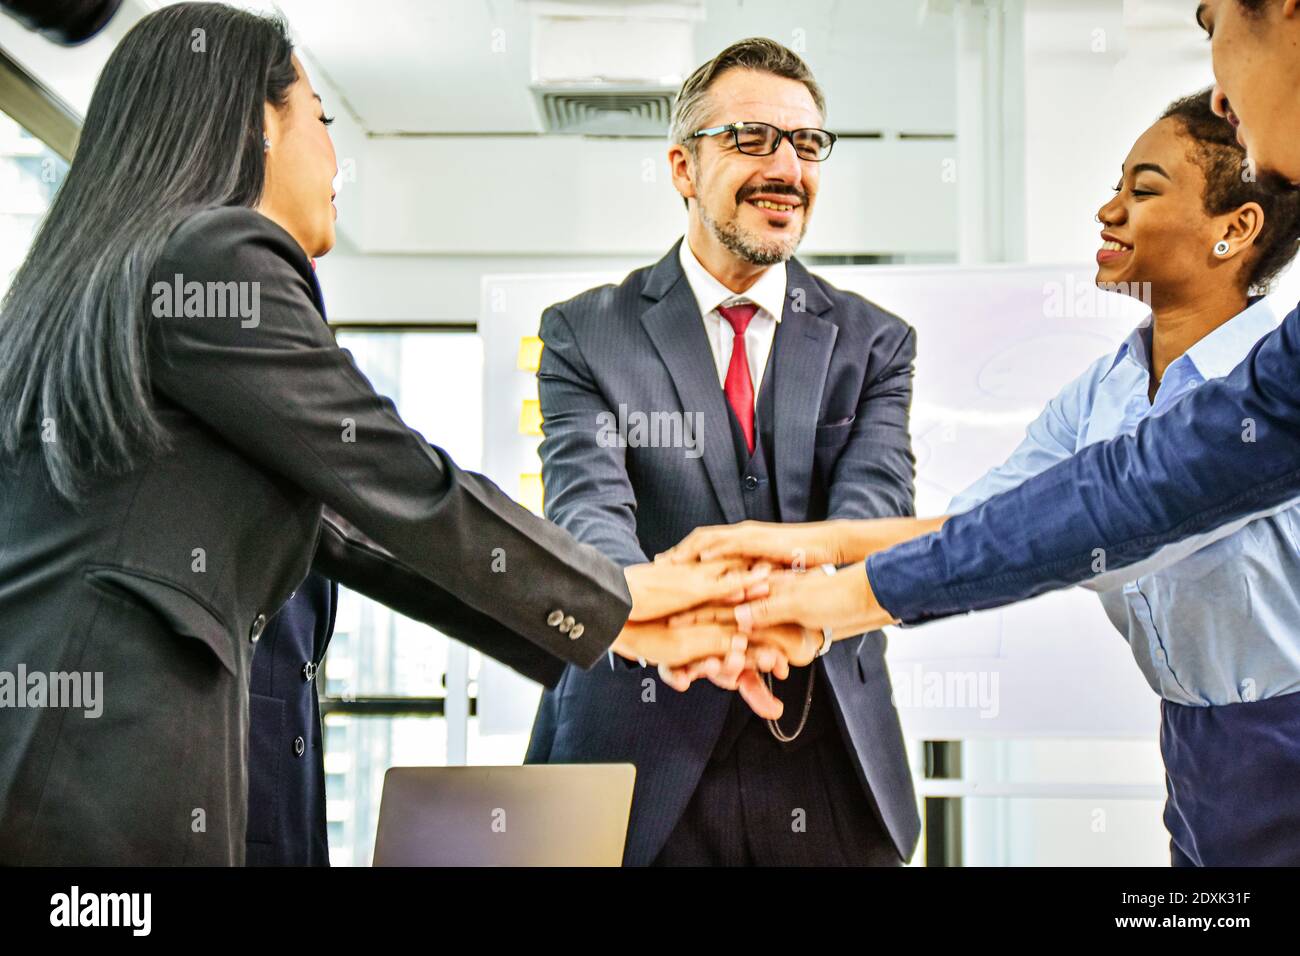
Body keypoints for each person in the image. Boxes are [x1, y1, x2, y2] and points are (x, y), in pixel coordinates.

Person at [0, 3, 773, 865]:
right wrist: (626, 598)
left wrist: (618, 619)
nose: (338, 159)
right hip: (102, 783)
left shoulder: (119, 273)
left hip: (63, 768)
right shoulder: (215, 256)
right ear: (260, 125)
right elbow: (398, 479)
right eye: (322, 121)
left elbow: (362, 529)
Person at [667, 88, 1300, 865]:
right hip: (1200, 752)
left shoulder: (1272, 396)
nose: (1108, 211)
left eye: (1142, 191)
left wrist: (822, 607)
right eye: (1115, 186)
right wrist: (792, 544)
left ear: (1235, 230)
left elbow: (1109, 526)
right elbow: (986, 527)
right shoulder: (1104, 390)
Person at [524, 39, 919, 867]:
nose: (787, 166)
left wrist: (794, 617)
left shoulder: (875, 342)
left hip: (824, 747)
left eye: (808, 145)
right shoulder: (585, 333)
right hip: (639, 744)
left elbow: (872, 510)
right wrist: (669, 615)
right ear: (682, 166)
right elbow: (588, 510)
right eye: (751, 138)